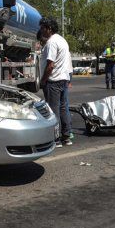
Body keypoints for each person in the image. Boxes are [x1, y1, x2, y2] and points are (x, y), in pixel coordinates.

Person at [39, 18, 73, 147]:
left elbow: (50, 65)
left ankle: (56, 139)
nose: (41, 31)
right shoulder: (62, 40)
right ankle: (66, 136)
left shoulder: (51, 42)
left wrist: (43, 80)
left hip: (53, 81)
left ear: (49, 28)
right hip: (63, 79)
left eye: (42, 28)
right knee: (64, 108)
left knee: (54, 111)